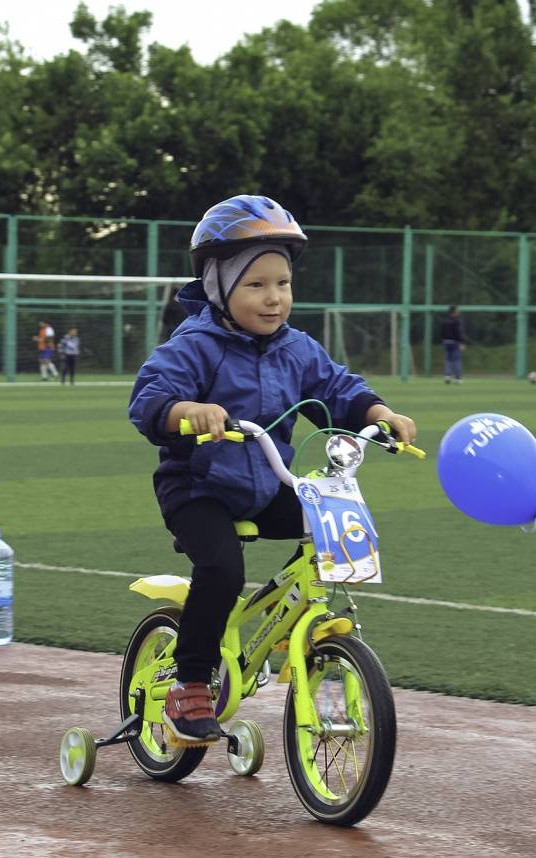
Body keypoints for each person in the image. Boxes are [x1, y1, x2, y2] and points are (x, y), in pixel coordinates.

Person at [128, 195, 416, 744]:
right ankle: (189, 683)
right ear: (217, 285)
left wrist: (378, 414)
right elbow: (150, 398)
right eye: (255, 285)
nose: (273, 298)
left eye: (282, 283)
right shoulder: (195, 346)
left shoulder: (296, 349)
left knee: (328, 523)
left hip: (266, 483)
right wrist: (187, 412)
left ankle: (294, 624)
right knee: (222, 570)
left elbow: (336, 388)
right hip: (199, 487)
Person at [439, 305, 465, 384]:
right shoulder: (457, 321)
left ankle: (447, 377)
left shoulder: (444, 321)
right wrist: (462, 342)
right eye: (457, 310)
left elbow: (441, 332)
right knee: (457, 360)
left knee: (448, 360)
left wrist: (443, 341)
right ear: (454, 312)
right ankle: (458, 379)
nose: (458, 312)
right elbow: (459, 333)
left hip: (446, 342)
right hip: (455, 342)